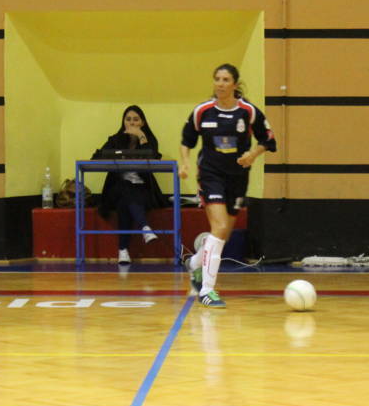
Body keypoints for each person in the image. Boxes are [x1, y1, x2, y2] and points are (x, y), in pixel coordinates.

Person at [179, 64, 276, 307]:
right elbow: (186, 140)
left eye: (225, 79)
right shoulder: (203, 111)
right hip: (210, 176)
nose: (220, 84)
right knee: (220, 226)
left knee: (223, 233)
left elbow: (268, 139)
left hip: (237, 178)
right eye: (217, 79)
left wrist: (252, 155)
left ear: (235, 84)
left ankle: (194, 264)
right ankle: (207, 290)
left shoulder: (247, 111)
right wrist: (185, 163)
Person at [95, 105, 167, 264]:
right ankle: (145, 228)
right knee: (125, 187)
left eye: (136, 119)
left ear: (142, 123)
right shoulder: (115, 139)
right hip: (116, 189)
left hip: (143, 189)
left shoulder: (149, 139)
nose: (132, 123)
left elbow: (153, 156)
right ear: (123, 122)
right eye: (128, 119)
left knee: (125, 202)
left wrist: (141, 136)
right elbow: (97, 156)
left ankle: (123, 251)